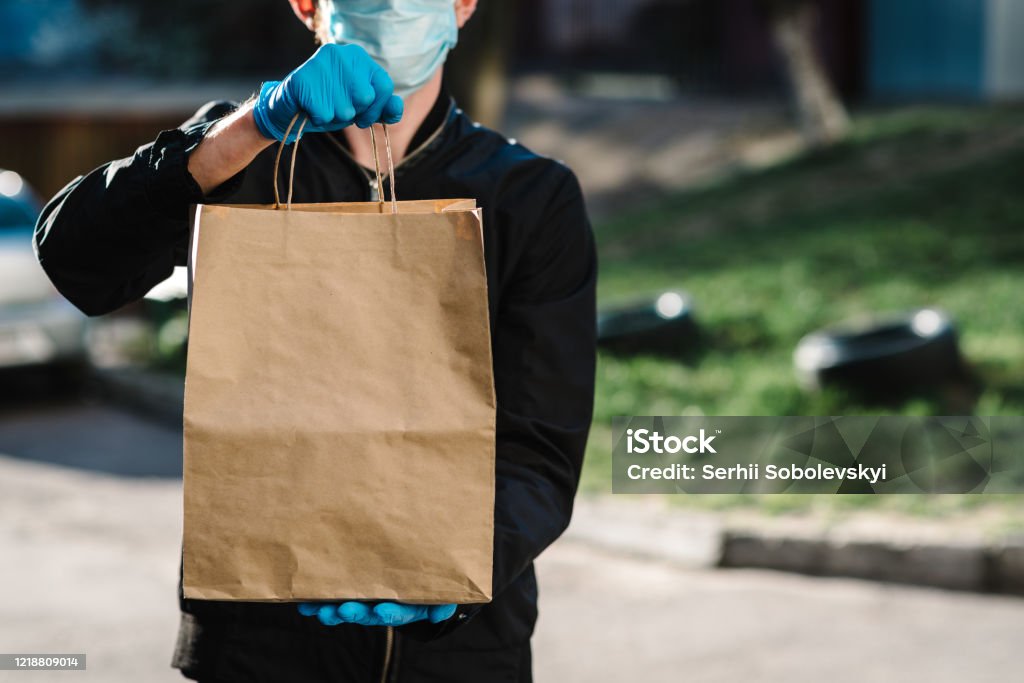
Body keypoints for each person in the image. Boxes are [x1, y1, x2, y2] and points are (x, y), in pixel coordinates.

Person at [34, 1, 596, 681]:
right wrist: (255, 125)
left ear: (463, 7)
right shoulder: (238, 160)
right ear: (309, 7)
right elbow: (75, 260)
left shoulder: (529, 197)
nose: (392, 9)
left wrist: (455, 576)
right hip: (259, 644)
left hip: (461, 657)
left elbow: (540, 445)